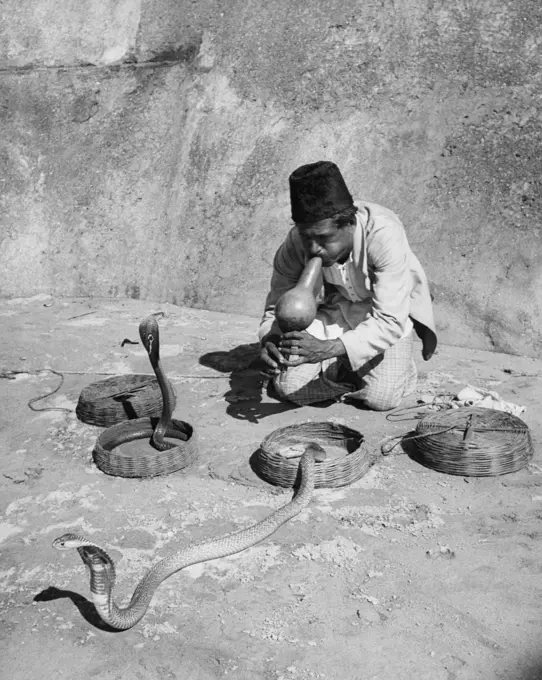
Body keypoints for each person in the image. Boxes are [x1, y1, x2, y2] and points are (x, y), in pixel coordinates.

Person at [258, 160, 437, 411]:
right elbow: (276, 304)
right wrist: (270, 336)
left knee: (381, 399)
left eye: (323, 238)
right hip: (333, 313)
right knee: (287, 388)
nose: (313, 248)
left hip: (382, 316)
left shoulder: (383, 233)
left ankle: (378, 368)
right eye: (306, 237)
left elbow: (389, 317)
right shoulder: (296, 244)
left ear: (350, 223)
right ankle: (349, 371)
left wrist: (328, 350)